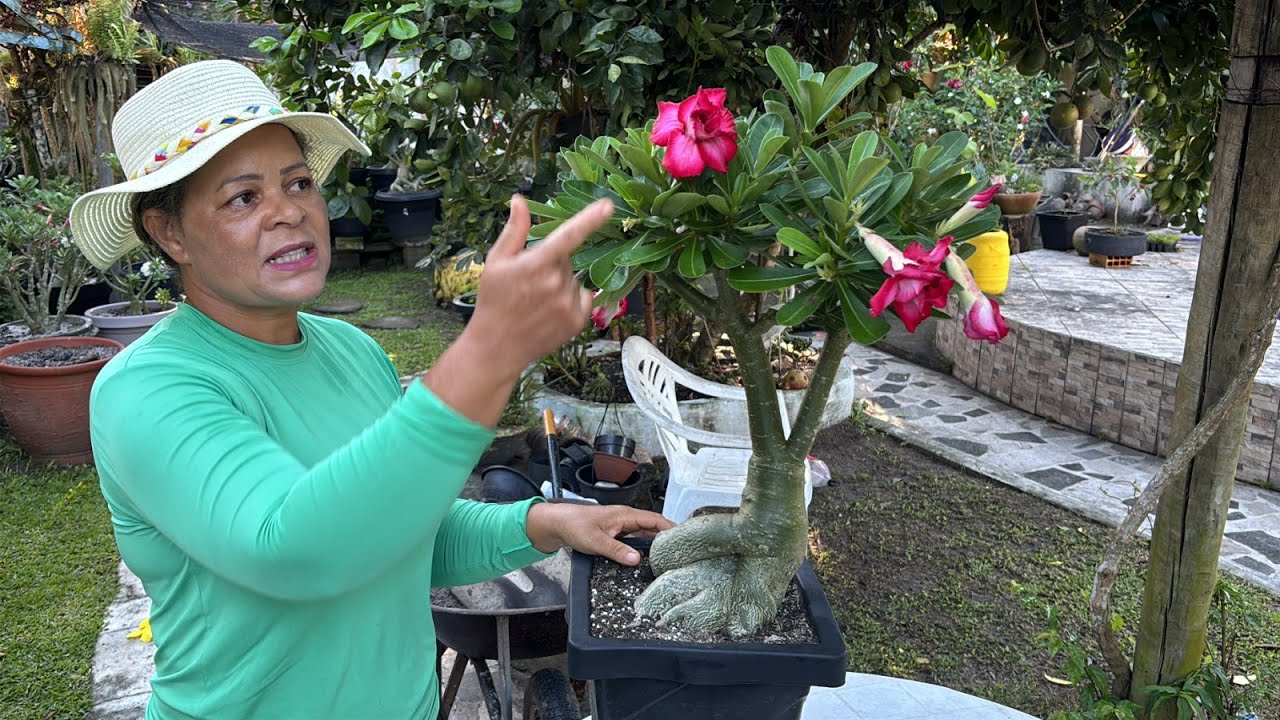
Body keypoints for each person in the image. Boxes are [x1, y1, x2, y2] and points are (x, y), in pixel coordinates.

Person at [70, 60, 672, 719]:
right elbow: (296, 553)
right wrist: (484, 357)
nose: (289, 212)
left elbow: (399, 533)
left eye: (299, 183)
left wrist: (542, 522)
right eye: (243, 198)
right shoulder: (146, 390)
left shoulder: (353, 352)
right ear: (170, 233)